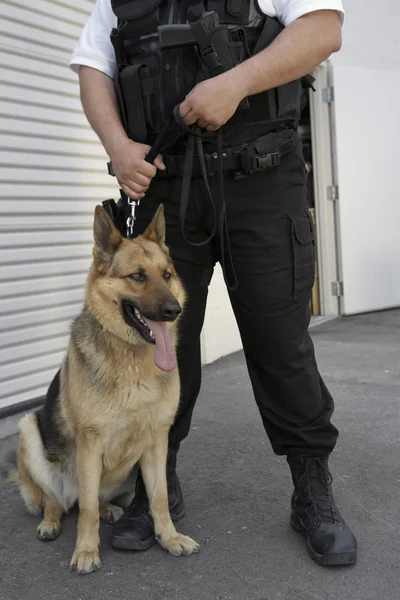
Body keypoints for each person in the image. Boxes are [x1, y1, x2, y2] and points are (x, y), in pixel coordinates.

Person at [67, 0, 357, 566]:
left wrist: (236, 83)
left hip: (261, 180)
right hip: (167, 189)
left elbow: (324, 30)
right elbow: (91, 67)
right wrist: (118, 148)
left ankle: (312, 492)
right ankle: (158, 490)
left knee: (281, 345)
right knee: (157, 348)